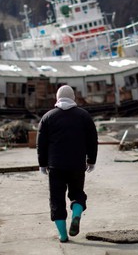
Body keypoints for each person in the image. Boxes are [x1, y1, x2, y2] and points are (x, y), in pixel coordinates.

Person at [37, 85, 98, 243]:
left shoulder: (48, 117)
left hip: (55, 166)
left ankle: (63, 235)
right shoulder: (84, 116)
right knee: (77, 194)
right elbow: (92, 140)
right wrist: (91, 160)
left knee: (57, 199)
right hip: (77, 165)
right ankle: (76, 215)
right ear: (73, 98)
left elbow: (41, 143)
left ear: (57, 98)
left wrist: (42, 164)